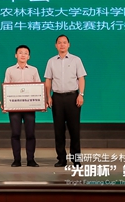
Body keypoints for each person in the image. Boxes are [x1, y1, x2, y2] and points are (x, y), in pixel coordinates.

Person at [44, 34, 87, 167]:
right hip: (57, 98)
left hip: (72, 97)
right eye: (59, 42)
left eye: (64, 42)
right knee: (59, 130)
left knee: (74, 130)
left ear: (68, 45)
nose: (62, 45)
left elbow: (81, 78)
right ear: (56, 45)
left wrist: (81, 94)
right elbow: (48, 80)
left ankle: (76, 159)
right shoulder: (51, 61)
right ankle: (61, 159)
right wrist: (48, 96)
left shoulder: (76, 60)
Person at [3, 45, 41, 167]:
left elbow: (38, 87)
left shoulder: (34, 70)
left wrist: (41, 103)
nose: (23, 55)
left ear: (29, 56)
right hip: (14, 108)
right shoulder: (10, 70)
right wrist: (6, 104)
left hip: (29, 108)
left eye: (25, 53)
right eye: (20, 52)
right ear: (16, 55)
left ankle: (31, 160)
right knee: (15, 134)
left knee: (30, 134)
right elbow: (6, 87)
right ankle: (17, 160)